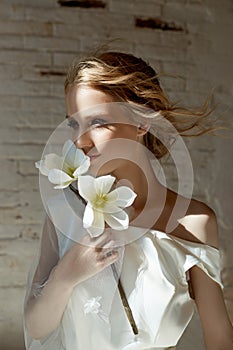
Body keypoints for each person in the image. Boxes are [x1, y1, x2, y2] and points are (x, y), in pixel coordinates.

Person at [24, 51, 233, 350]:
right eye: (73, 123)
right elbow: (36, 326)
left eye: (97, 121)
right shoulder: (66, 210)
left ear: (142, 122)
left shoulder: (195, 224)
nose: (80, 141)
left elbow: (221, 339)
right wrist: (64, 276)